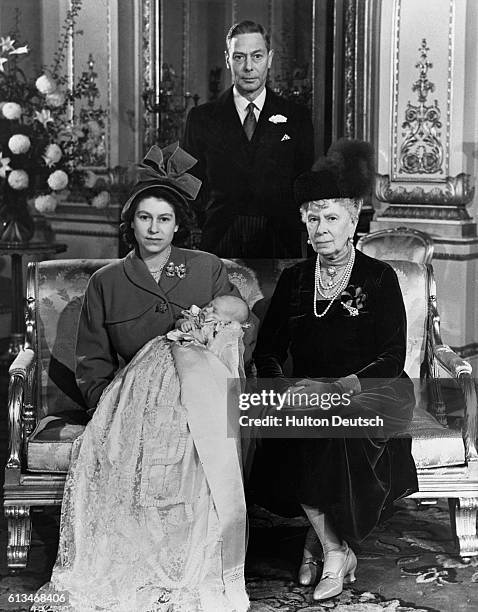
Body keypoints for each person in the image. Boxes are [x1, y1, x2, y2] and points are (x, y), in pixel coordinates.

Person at [35, 143, 251, 612]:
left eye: (165, 219)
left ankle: (186, 567)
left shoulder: (205, 268)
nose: (154, 229)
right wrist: (110, 406)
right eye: (145, 218)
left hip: (200, 400)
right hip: (129, 396)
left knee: (195, 450)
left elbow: (235, 334)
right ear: (131, 223)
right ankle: (138, 565)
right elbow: (91, 359)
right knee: (122, 448)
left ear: (178, 225)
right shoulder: (107, 281)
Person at [250, 139, 418, 601]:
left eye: (331, 218)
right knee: (301, 424)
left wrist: (340, 386)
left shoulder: (379, 278)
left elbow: (392, 356)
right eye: (313, 218)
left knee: (333, 427)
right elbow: (267, 349)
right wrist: (283, 387)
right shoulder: (294, 280)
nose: (321, 229)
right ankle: (332, 547)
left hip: (373, 388)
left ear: (352, 221)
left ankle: (324, 548)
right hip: (308, 391)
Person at [183, 19, 314, 258]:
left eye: (257, 56)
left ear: (270, 59)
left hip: (281, 241)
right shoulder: (201, 118)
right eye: (239, 57)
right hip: (218, 238)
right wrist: (209, 219)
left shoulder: (297, 118)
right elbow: (189, 184)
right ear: (227, 59)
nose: (248, 67)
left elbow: (303, 182)